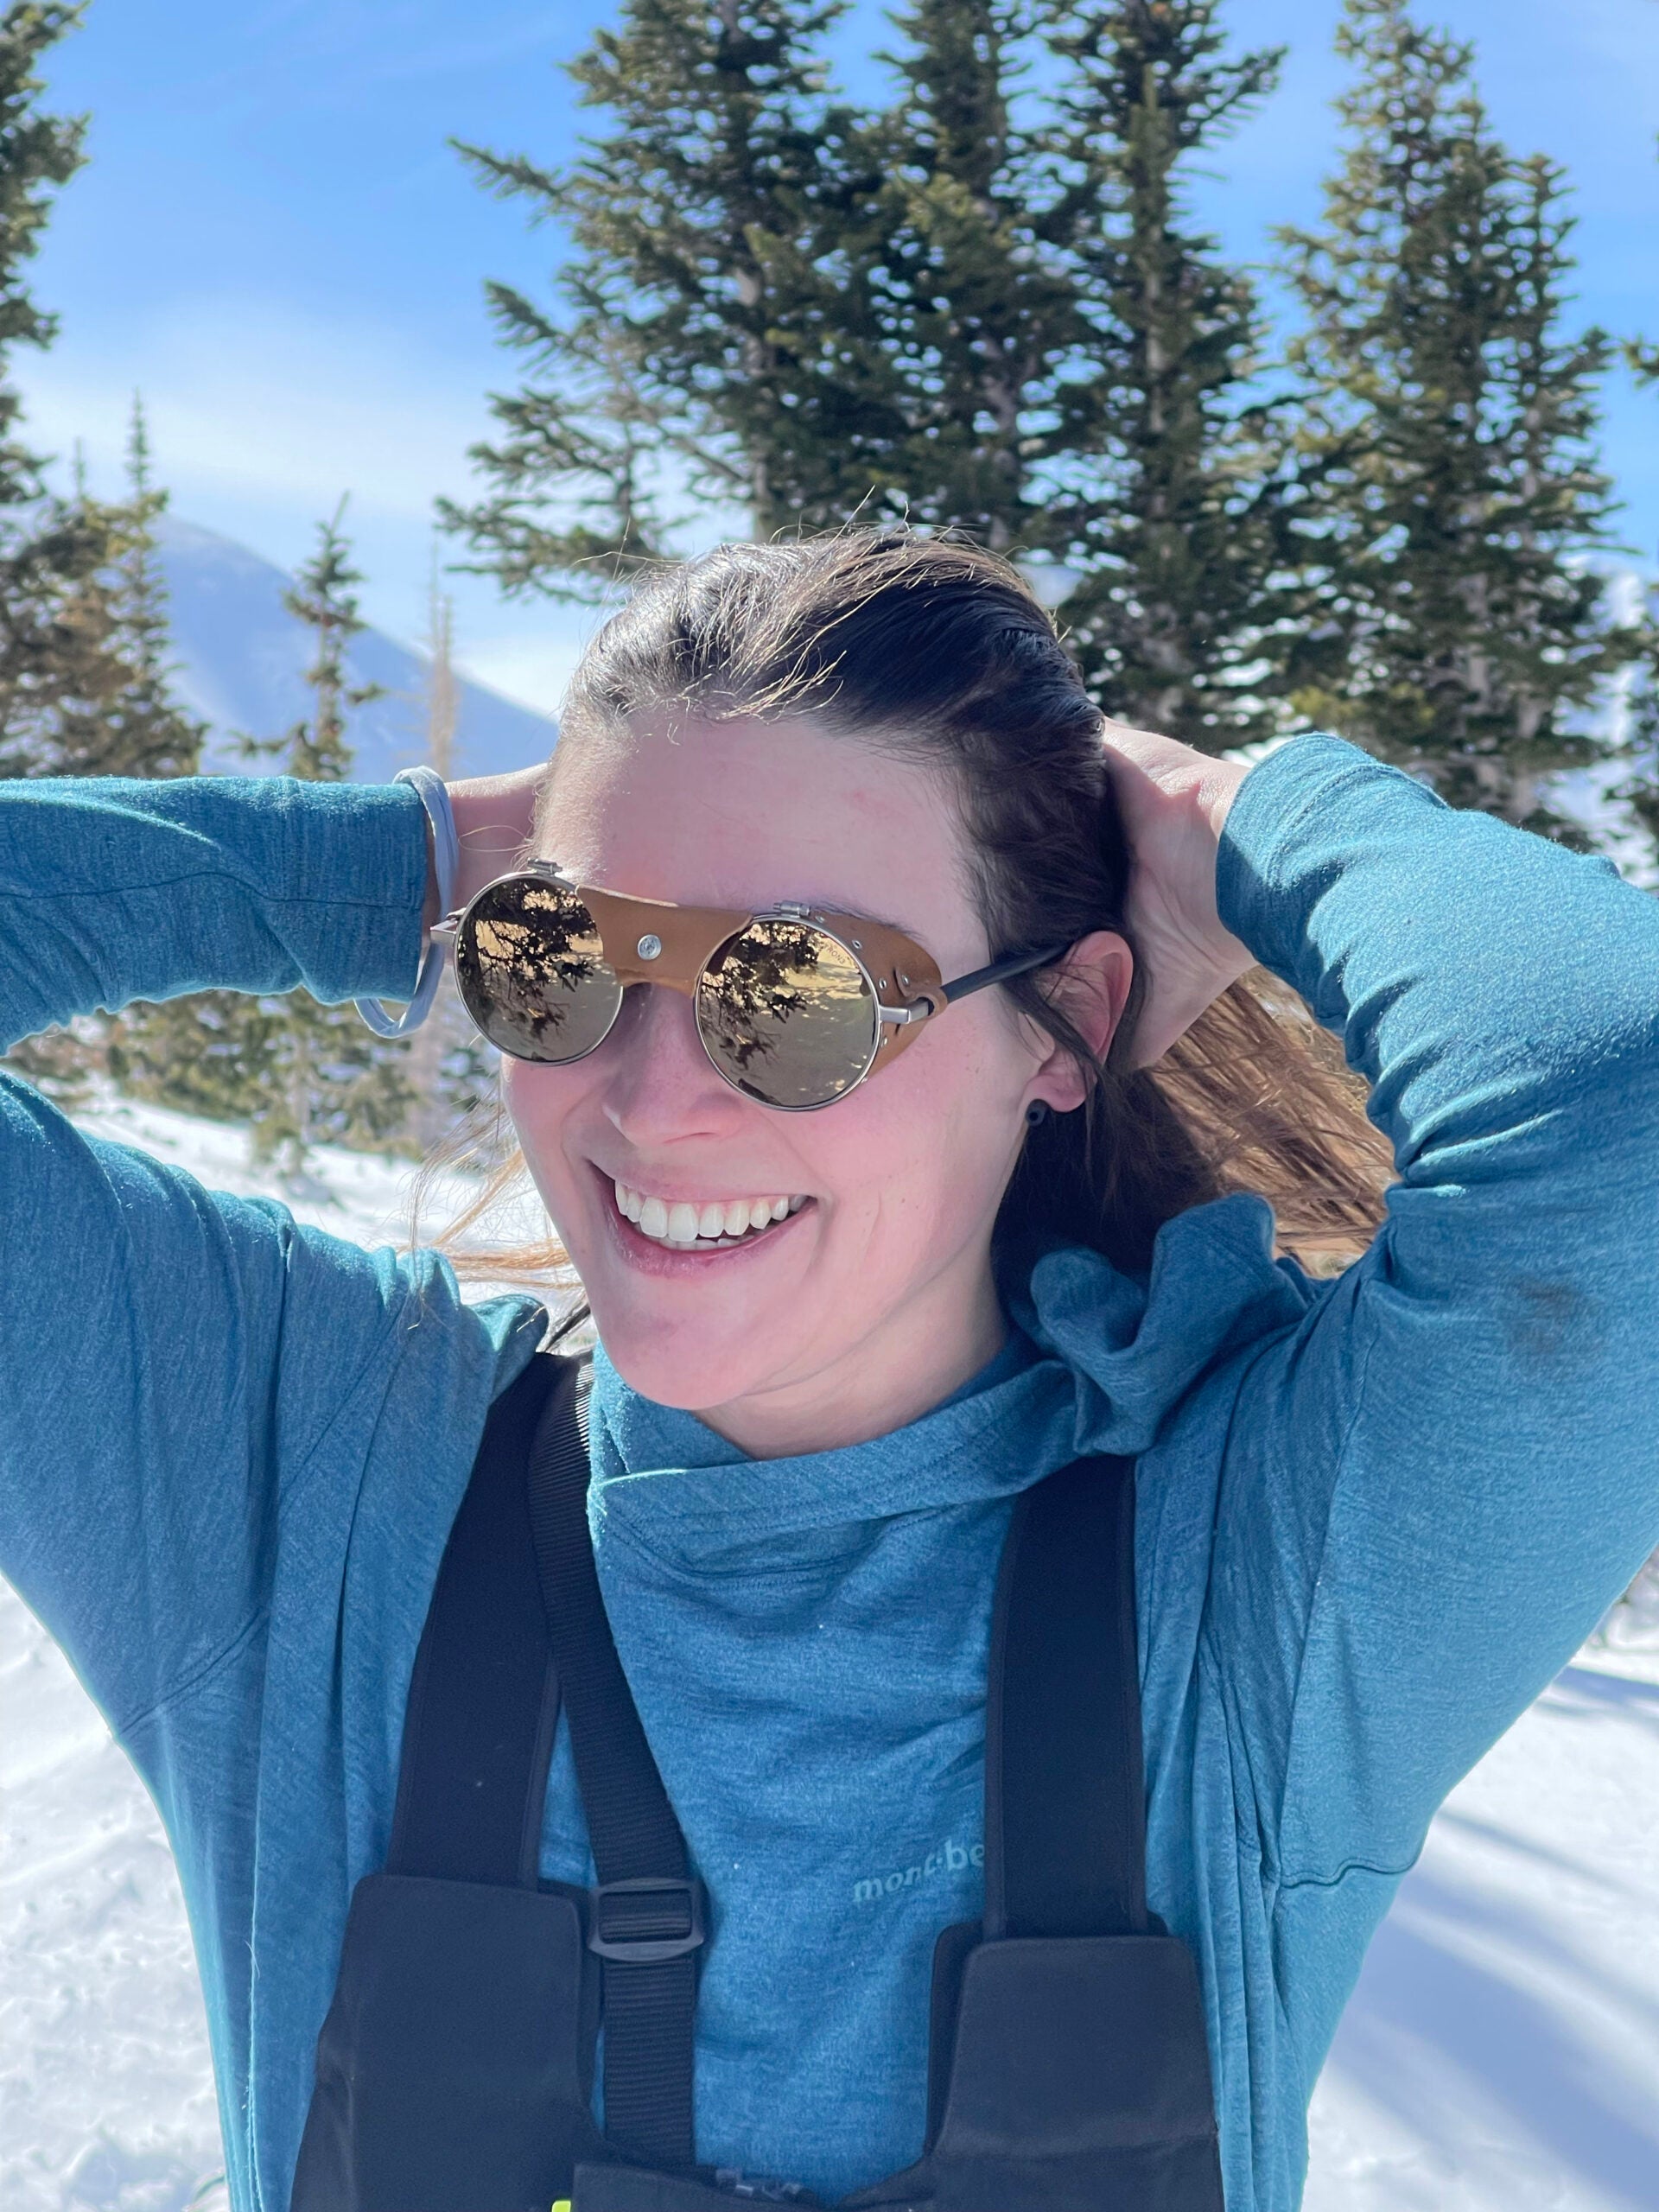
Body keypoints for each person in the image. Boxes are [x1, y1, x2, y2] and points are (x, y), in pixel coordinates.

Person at [3, 531, 1657, 2212]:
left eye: (792, 990)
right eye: (562, 960)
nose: (652, 1104)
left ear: (1065, 1026)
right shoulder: (310, 1471)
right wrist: (402, 863)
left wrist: (1240, 829)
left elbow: (1625, 1100)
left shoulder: (1261, 1575)